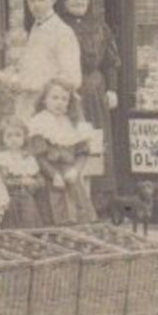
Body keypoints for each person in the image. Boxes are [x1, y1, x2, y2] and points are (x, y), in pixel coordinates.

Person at [57, 0, 121, 206]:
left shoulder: (99, 26)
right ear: (64, 0)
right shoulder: (58, 25)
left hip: (94, 89)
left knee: (95, 138)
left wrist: (112, 89)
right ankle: (72, 197)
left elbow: (111, 61)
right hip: (65, 90)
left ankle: (98, 199)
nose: (78, 2)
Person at [0, 0, 82, 121]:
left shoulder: (62, 32)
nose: (36, 5)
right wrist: (10, 72)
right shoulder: (36, 27)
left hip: (47, 111)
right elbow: (33, 67)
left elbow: (72, 78)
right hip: (27, 107)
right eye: (31, 1)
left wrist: (8, 79)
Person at [26, 80, 102, 225]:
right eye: (54, 98)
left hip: (70, 175)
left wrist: (75, 170)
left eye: (64, 99)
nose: (59, 102)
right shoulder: (40, 123)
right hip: (49, 176)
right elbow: (39, 156)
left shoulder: (72, 122)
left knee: (78, 211)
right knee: (53, 210)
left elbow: (82, 152)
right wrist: (53, 174)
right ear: (44, 100)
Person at [0, 117, 51, 229]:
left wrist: (33, 183)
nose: (14, 139)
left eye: (18, 135)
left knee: (29, 226)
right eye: (9, 136)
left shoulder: (28, 158)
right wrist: (20, 182)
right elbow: (0, 182)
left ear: (24, 137)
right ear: (2, 138)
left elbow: (41, 181)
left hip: (27, 200)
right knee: (11, 228)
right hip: (9, 201)